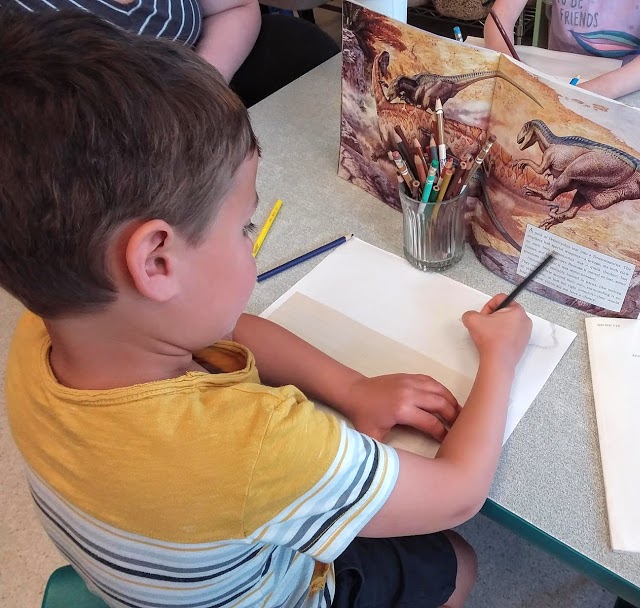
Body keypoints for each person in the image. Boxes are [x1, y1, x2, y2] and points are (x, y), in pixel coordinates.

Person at [0, 10, 532, 608]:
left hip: (140, 578)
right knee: (454, 561)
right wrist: (502, 356)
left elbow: (229, 331)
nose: (252, 240)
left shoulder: (50, 326)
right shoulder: (254, 446)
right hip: (272, 594)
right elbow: (458, 493)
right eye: (245, 227)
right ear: (156, 262)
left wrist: (353, 387)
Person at [2, 0, 338, 107]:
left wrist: (203, 88)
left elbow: (236, 6)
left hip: (200, 102)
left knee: (295, 43)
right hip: (108, 156)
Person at [484, 0, 640, 99]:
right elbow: (500, 17)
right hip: (559, 82)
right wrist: (513, 74)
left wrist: (593, 93)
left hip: (635, 90)